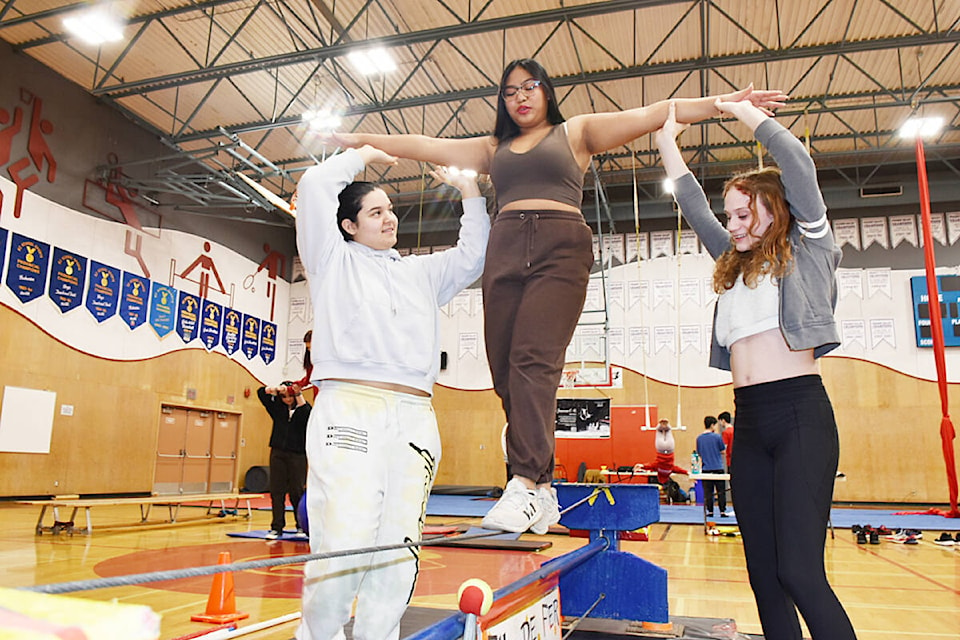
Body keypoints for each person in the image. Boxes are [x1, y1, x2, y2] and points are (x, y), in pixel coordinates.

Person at [323, 58, 787, 533]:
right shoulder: (493, 147)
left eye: (531, 87)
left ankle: (524, 481)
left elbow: (655, 111)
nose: (521, 97)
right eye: (510, 92)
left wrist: (723, 104)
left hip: (559, 245)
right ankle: (543, 490)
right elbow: (425, 144)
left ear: (547, 91)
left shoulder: (577, 132)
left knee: (532, 361)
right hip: (504, 248)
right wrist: (362, 144)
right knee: (504, 368)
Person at [655, 99, 857, 639]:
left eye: (745, 214)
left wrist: (741, 110)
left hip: (799, 418)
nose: (734, 224)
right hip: (749, 427)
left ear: (776, 208)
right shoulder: (734, 260)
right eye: (731, 216)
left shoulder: (808, 246)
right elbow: (695, 207)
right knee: (764, 575)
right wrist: (667, 142)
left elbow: (795, 160)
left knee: (799, 571)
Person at [294, 144, 489, 640]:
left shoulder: (419, 272)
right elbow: (315, 186)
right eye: (375, 211)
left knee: (398, 548)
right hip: (349, 411)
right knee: (345, 536)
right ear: (348, 225)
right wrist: (363, 153)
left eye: (391, 210)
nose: (389, 219)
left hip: (415, 416)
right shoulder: (330, 260)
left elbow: (474, 256)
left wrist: (469, 191)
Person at [256, 381, 311, 539]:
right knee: (277, 491)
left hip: (298, 454)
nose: (287, 400)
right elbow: (261, 393)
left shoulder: (302, 410)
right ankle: (276, 527)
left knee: (296, 491)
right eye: (284, 397)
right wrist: (274, 389)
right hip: (278, 453)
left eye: (290, 396)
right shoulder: (277, 409)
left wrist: (298, 393)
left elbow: (307, 411)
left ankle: (301, 526)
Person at [696, 415, 727, 517]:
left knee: (708, 492)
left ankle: (710, 511)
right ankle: (722, 511)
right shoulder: (717, 437)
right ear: (712, 425)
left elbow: (699, 453)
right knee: (721, 491)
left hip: (706, 468)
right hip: (718, 467)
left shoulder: (699, 438)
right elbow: (723, 451)